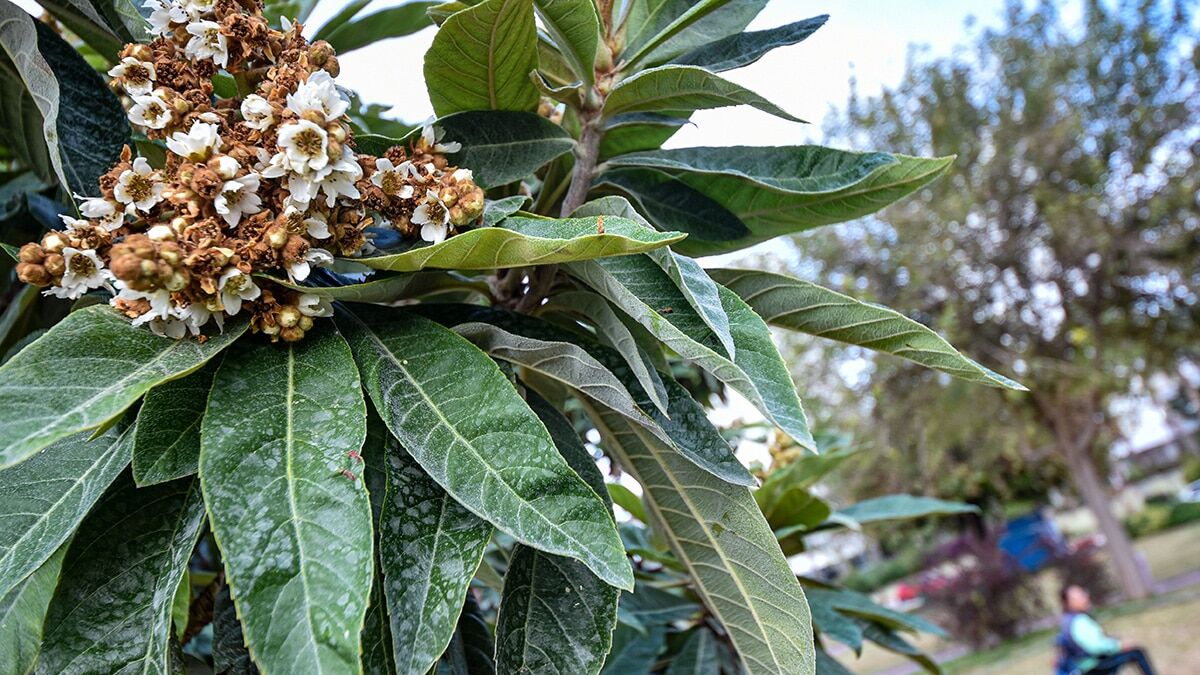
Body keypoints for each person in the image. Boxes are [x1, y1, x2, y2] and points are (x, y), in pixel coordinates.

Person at [1055, 585, 1156, 674]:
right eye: (1080, 596)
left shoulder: (1067, 619)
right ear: (1068, 603)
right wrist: (1119, 646)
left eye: (1084, 594)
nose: (1085, 598)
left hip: (1084, 664)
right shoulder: (1079, 621)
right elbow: (1095, 646)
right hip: (1093, 664)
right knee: (1136, 653)